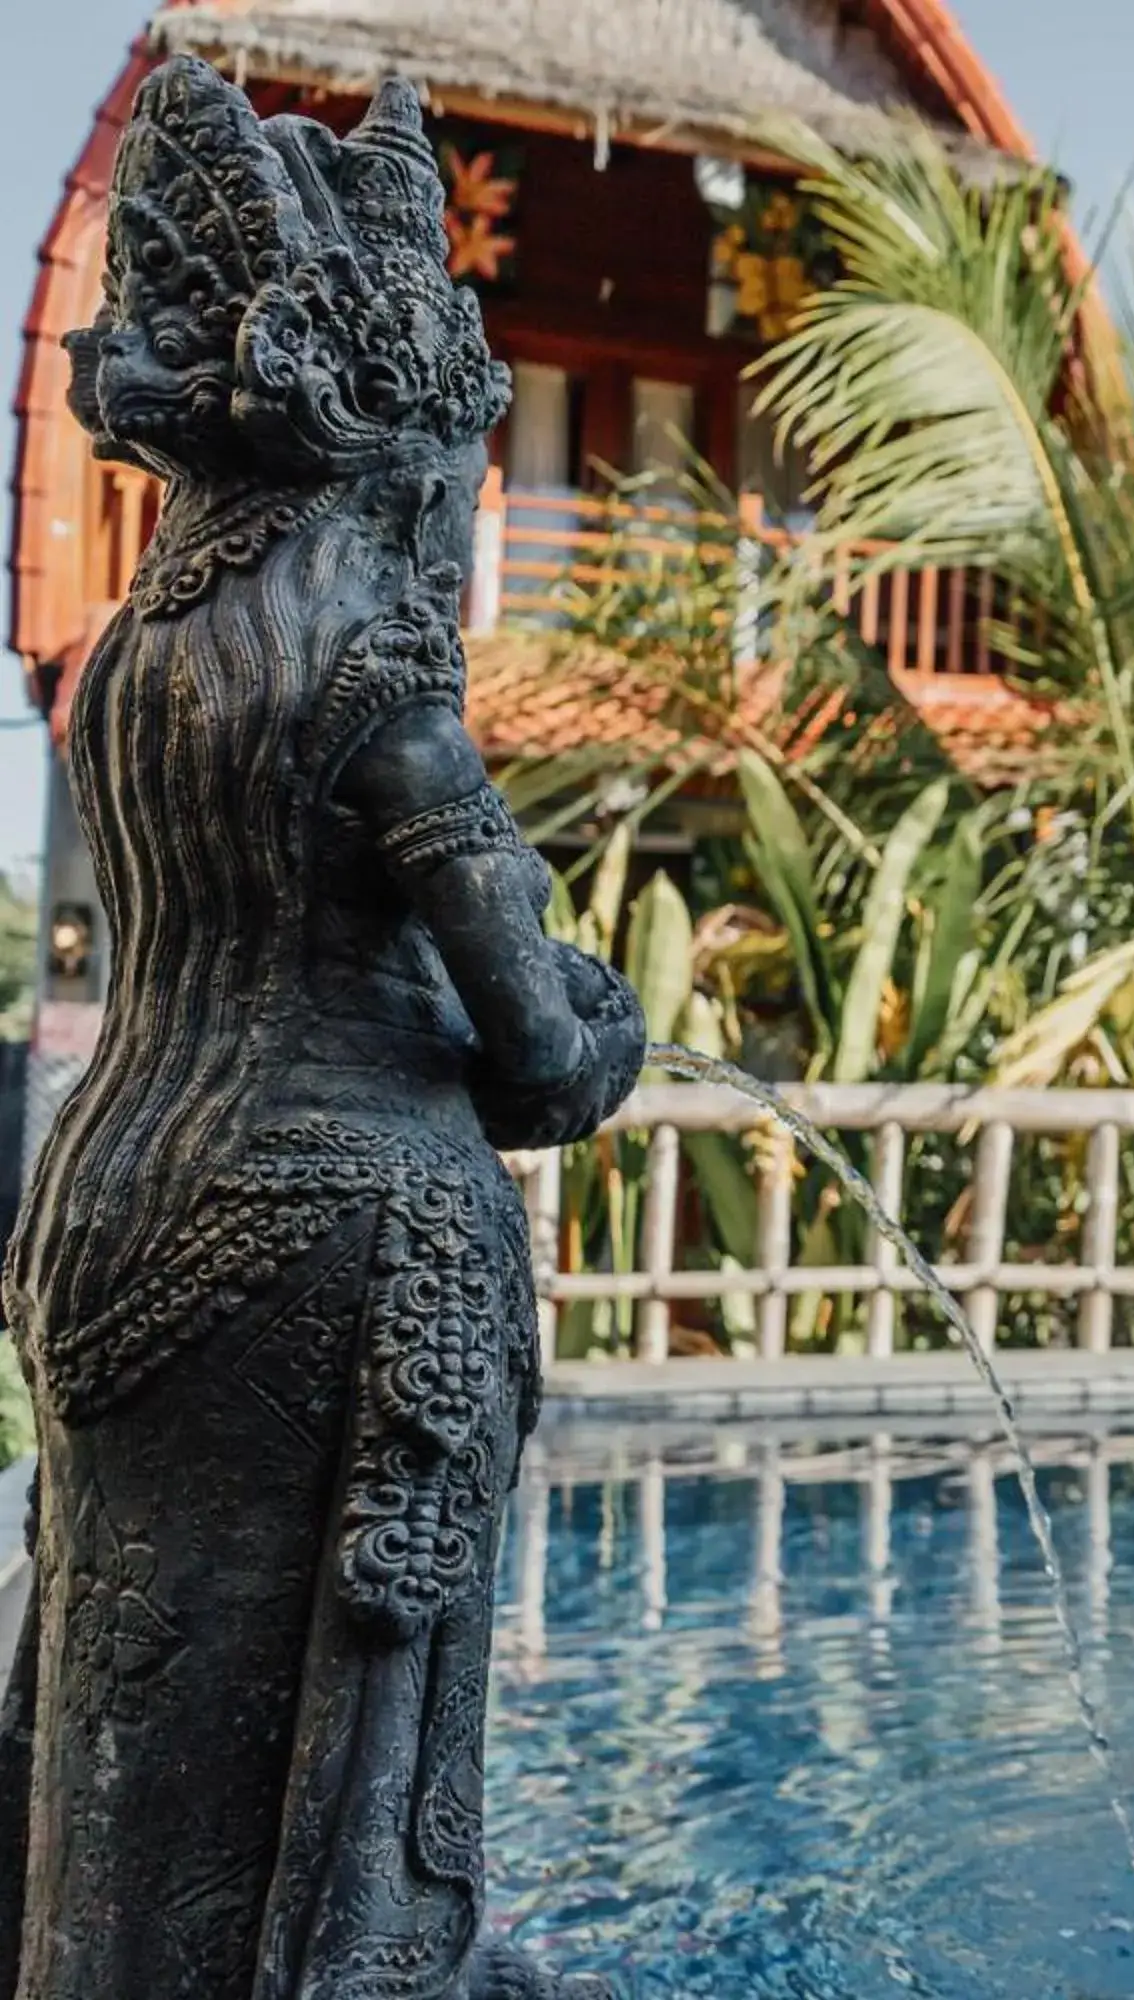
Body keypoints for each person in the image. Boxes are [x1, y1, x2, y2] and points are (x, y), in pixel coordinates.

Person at [0, 59, 643, 1997]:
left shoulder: (131, 659)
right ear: (409, 457)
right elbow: (539, 1059)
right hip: (340, 1232)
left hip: (109, 1201)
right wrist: (604, 1013)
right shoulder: (378, 667)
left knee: (122, 1670)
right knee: (332, 1724)